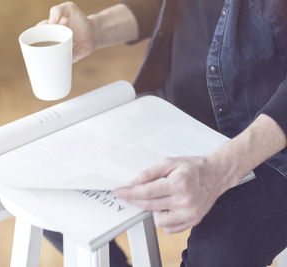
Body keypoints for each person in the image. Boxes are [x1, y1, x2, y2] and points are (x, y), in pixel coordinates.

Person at [40, 1, 287, 266]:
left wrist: (220, 168)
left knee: (216, 255)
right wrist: (96, 28)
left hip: (271, 147)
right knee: (45, 182)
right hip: (174, 113)